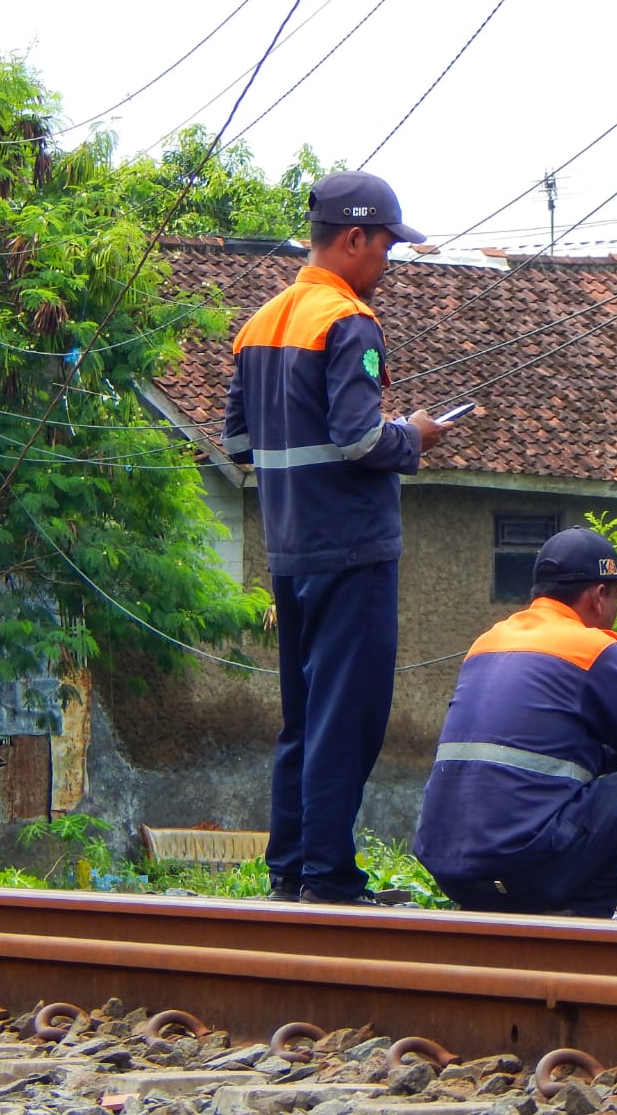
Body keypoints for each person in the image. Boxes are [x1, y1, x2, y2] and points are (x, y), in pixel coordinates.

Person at [223, 169, 452, 905]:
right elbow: (358, 440)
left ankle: (290, 870)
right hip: (352, 549)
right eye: (385, 246)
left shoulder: (259, 325)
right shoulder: (347, 322)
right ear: (354, 238)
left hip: (291, 549)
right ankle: (328, 878)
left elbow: (235, 443)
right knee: (345, 721)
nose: (387, 261)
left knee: (304, 718)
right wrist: (411, 435)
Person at [412, 526, 617, 917]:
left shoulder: (488, 643)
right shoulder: (588, 647)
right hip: (523, 867)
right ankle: (584, 917)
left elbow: (554, 754)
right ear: (599, 596)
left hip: (452, 870)